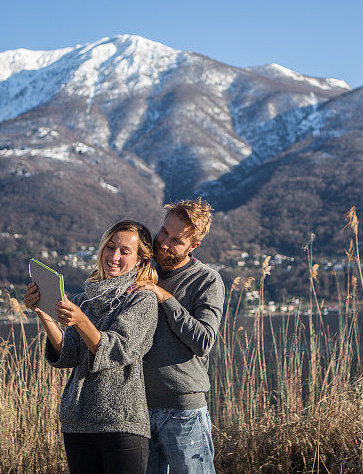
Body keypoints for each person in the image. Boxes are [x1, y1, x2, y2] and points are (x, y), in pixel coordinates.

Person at [23, 220, 159, 474]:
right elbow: (67, 354)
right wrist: (43, 312)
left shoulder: (142, 298)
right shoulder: (83, 300)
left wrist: (81, 321)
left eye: (125, 251)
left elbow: (118, 350)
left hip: (122, 422)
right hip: (77, 422)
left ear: (141, 260)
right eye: (110, 247)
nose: (114, 256)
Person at [128, 199, 225, 474]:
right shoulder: (143, 271)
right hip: (137, 409)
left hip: (183, 411)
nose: (164, 243)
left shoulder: (207, 280)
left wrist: (165, 297)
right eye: (163, 232)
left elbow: (204, 341)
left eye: (176, 240)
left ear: (194, 246)